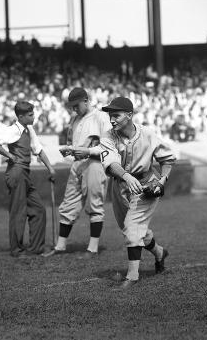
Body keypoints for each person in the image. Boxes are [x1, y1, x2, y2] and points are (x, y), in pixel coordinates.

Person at [75, 97, 176, 289]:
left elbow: (168, 159)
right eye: (110, 116)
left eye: (116, 115)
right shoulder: (108, 136)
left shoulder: (148, 134)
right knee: (134, 231)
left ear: (129, 115)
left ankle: (132, 276)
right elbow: (111, 162)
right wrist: (127, 177)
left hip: (146, 185)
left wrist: (162, 181)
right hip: (121, 185)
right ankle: (160, 253)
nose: (112, 120)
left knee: (132, 227)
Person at [48, 87, 111, 258]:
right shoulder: (75, 119)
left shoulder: (101, 117)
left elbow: (109, 147)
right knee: (68, 203)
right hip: (77, 164)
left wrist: (88, 152)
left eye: (76, 105)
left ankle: (92, 248)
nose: (74, 109)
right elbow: (74, 142)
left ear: (86, 100)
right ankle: (60, 246)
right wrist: (69, 150)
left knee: (94, 205)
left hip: (95, 164)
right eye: (72, 106)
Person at [0, 101, 56, 258]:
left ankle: (36, 248)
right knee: (18, 212)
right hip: (16, 172)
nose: (34, 117)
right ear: (20, 116)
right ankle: (17, 250)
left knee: (38, 210)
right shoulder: (12, 130)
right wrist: (10, 155)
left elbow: (38, 150)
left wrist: (51, 168)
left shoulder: (29, 129)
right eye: (31, 115)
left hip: (25, 173)